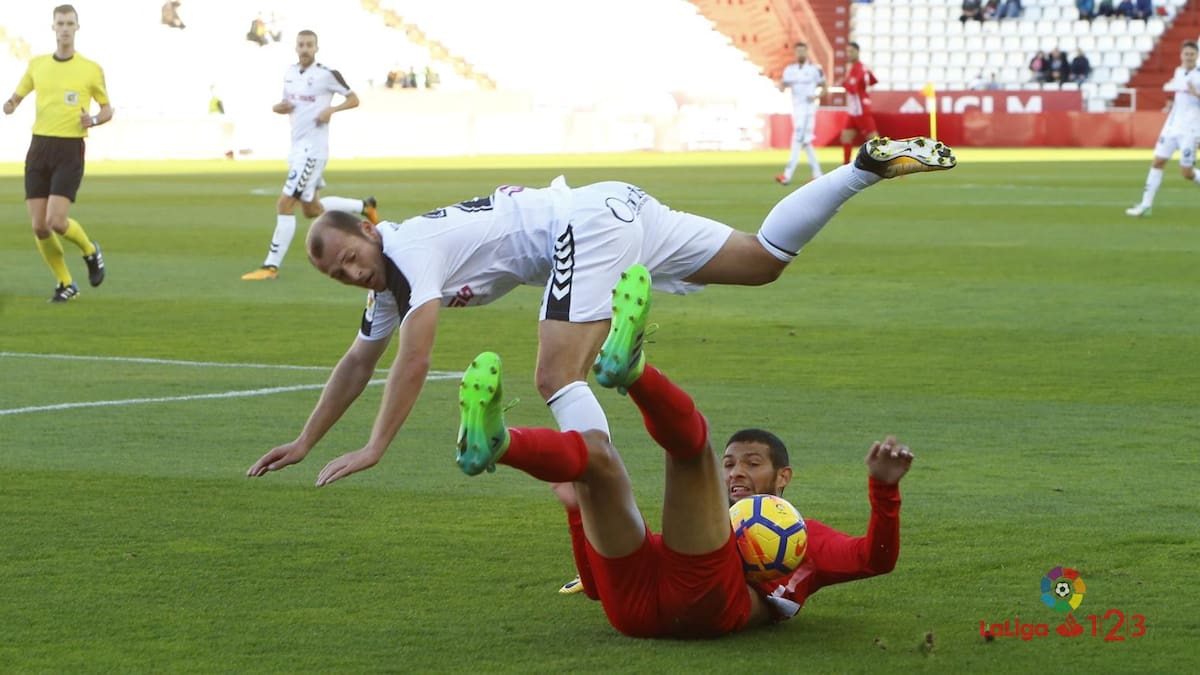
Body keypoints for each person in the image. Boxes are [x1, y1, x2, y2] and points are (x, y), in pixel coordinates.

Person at [244, 136, 954, 486]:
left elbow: (415, 358)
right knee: (762, 260)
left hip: (582, 227)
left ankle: (603, 490)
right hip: (614, 207)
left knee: (558, 376)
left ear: (370, 228)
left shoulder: (409, 251)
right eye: (339, 273)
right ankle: (862, 167)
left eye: (350, 256)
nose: (351, 273)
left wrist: (374, 448)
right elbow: (358, 360)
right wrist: (306, 439)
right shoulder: (387, 280)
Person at [454, 265, 913, 636]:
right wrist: (578, 514)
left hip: (701, 605)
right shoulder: (698, 529)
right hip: (634, 612)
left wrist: (883, 490)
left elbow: (875, 559)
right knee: (600, 465)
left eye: (752, 464)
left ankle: (632, 372)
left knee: (694, 452)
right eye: (731, 463)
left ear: (783, 478)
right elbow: (595, 589)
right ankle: (501, 443)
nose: (734, 473)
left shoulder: (804, 537)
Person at [241, 30, 379, 281]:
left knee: (285, 204)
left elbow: (354, 98)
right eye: (301, 44)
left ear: (316, 48)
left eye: (309, 45)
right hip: (296, 149)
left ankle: (270, 267)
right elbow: (284, 104)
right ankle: (365, 206)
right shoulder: (290, 73)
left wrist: (332, 110)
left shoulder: (327, 74)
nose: (305, 48)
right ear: (296, 48)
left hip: (313, 151)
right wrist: (278, 108)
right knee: (312, 209)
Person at [2, 4, 109, 303]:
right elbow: (15, 97)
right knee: (39, 226)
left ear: (77, 28)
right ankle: (66, 283)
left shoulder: (90, 69)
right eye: (59, 23)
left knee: (57, 221)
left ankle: (90, 251)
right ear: (53, 28)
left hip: (69, 148)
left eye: (69, 23)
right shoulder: (37, 65)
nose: (64, 28)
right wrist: (9, 105)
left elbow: (107, 108)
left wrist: (96, 120)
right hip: (39, 148)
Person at [1126, 41, 1200, 217]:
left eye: (1192, 54)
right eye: (1186, 54)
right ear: (1181, 55)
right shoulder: (1178, 72)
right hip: (1171, 127)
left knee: (1186, 173)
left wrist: (1196, 94)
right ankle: (1145, 206)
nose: (1188, 57)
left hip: (1190, 130)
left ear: (1197, 56)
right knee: (1158, 162)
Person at [775, 41, 826, 186]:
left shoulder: (814, 70)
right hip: (796, 110)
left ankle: (787, 175)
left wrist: (816, 96)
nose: (801, 53)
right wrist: (781, 86)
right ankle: (818, 174)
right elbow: (782, 87)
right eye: (798, 51)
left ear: (807, 51)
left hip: (808, 110)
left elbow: (824, 87)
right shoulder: (790, 70)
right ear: (795, 53)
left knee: (797, 139)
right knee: (805, 141)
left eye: (803, 51)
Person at [839, 42, 879, 166]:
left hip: (861, 110)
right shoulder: (862, 67)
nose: (849, 54)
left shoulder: (857, 68)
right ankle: (845, 167)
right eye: (847, 52)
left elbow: (852, 89)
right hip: (854, 110)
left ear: (857, 52)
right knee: (845, 137)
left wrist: (844, 82)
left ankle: (893, 163)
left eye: (851, 51)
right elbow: (873, 80)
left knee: (875, 141)